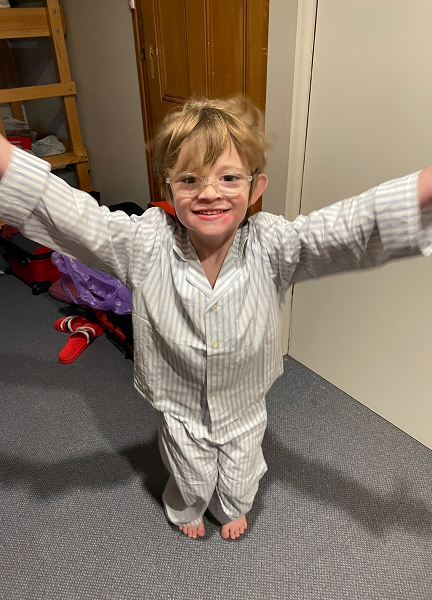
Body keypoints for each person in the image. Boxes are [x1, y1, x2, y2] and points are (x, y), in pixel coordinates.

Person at [1, 96, 432, 540]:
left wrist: (423, 189)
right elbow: (73, 217)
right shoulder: (144, 243)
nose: (209, 193)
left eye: (229, 178)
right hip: (180, 404)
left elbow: (347, 229)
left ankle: (232, 506)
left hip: (244, 403)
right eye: (190, 179)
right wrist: (6, 161)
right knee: (188, 470)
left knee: (244, 468)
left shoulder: (273, 246)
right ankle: (185, 506)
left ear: (256, 186)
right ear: (169, 190)